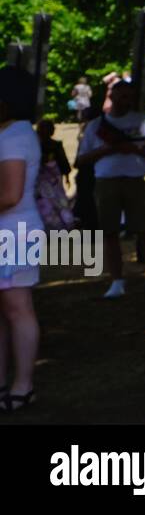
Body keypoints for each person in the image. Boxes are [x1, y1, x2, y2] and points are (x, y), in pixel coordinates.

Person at [75, 80, 145, 297]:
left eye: (130, 97)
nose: (127, 101)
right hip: (106, 182)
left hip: (135, 179)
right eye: (123, 96)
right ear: (112, 98)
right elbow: (80, 160)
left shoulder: (142, 120)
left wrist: (135, 149)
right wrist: (107, 150)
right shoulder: (96, 126)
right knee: (110, 232)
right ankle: (116, 281)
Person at [0, 66, 42, 412]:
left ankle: (22, 384)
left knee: (17, 308)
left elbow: (10, 194)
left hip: (15, 232)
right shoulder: (9, 132)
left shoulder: (16, 135)